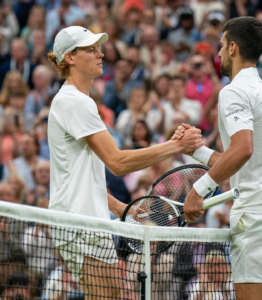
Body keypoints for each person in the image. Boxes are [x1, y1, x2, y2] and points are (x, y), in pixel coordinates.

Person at [47, 26, 201, 300]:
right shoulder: (73, 102)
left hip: (85, 221)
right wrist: (176, 145)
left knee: (115, 294)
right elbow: (117, 162)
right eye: (91, 49)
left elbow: (83, 176)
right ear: (70, 58)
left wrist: (122, 208)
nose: (101, 53)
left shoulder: (76, 101)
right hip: (80, 224)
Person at [173, 17, 262, 300]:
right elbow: (243, 159)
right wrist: (196, 151)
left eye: (220, 46)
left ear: (232, 47)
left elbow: (243, 149)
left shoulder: (233, 92)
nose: (217, 53)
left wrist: (199, 190)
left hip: (261, 216)